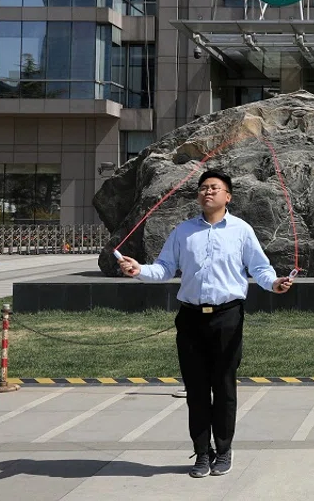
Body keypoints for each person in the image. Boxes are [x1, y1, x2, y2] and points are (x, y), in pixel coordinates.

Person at [116, 169, 295, 478]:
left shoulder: (241, 230)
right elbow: (163, 269)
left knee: (223, 386)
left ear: (228, 196)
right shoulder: (183, 232)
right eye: (202, 188)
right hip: (190, 318)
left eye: (214, 188)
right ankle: (202, 452)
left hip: (228, 316)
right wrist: (139, 269)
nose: (206, 192)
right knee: (196, 388)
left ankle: (224, 450)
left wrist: (275, 283)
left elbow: (260, 269)